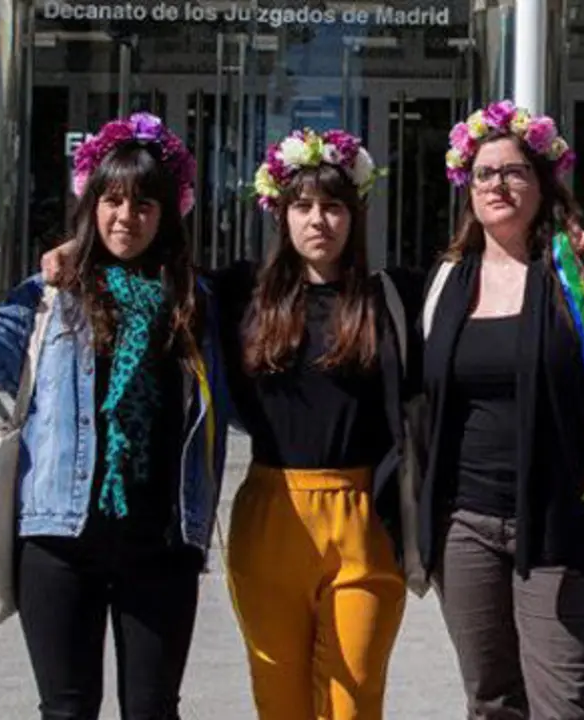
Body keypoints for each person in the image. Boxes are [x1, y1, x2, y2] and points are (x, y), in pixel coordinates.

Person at [0, 112, 230, 720]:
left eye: (145, 204)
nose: (127, 217)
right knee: (67, 710)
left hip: (160, 542)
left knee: (153, 711)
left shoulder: (193, 301)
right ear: (92, 202)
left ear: (168, 214)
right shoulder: (51, 294)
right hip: (59, 537)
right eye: (113, 199)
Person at [419, 99, 584, 719]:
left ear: (543, 181)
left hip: (561, 523)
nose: (498, 184)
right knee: (490, 701)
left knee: (563, 703)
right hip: (463, 524)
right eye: (485, 173)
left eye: (514, 171)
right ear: (467, 188)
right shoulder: (446, 281)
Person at [221, 128, 409, 720]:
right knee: (279, 702)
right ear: (281, 214)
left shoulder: (388, 297)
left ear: (354, 215)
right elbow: (156, 277)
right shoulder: (241, 293)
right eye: (302, 206)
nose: (318, 220)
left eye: (332, 206)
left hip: (363, 515)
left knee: (352, 701)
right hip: (271, 510)